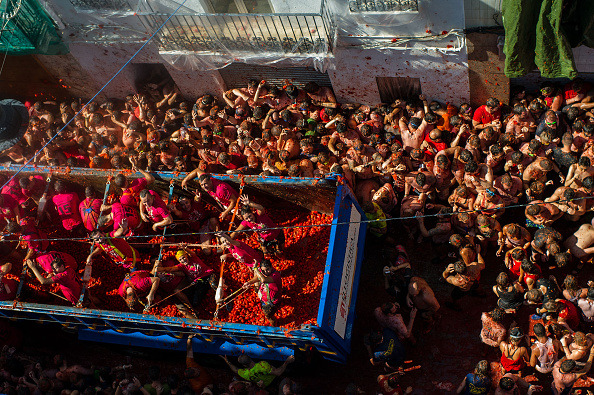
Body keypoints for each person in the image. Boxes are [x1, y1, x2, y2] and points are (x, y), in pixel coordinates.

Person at [242, 259, 282, 326]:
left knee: (268, 315)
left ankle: (274, 323)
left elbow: (263, 280)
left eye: (267, 269)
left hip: (273, 301)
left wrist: (255, 268)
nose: (265, 272)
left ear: (271, 267)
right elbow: (258, 277)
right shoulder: (261, 272)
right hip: (264, 297)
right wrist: (249, 282)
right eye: (263, 270)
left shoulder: (276, 275)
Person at [220, 354, 295, 389]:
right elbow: (278, 372)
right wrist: (287, 362)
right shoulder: (261, 365)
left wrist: (227, 361)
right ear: (251, 358)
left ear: (244, 366)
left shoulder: (245, 374)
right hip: (277, 380)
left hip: (268, 387)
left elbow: (235, 370)